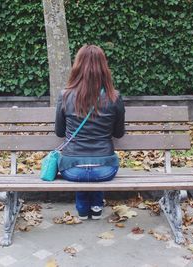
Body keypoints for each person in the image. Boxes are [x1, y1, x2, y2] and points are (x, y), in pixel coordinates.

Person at [55, 44, 125, 220]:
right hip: (106, 170)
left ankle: (82, 208)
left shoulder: (65, 95)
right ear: (104, 68)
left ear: (77, 66)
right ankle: (96, 207)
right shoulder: (114, 97)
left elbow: (59, 132)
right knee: (96, 170)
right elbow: (118, 134)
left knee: (82, 172)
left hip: (71, 169)